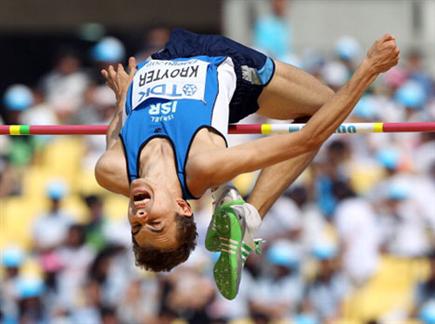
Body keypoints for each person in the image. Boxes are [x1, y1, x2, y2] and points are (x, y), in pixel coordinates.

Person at [94, 28, 399, 297]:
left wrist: (123, 99)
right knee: (323, 106)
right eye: (154, 223)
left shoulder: (110, 171)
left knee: (324, 109)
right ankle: (249, 215)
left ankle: (233, 208)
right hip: (221, 63)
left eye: (135, 225)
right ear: (183, 207)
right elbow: (306, 139)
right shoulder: (202, 165)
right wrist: (369, 69)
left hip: (162, 60)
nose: (140, 214)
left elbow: (117, 131)